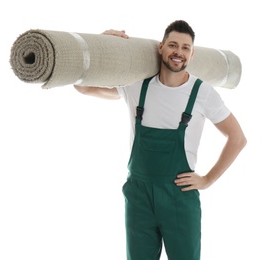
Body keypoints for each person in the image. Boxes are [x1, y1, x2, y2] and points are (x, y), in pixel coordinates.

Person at [74, 20, 247, 260]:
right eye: (173, 45)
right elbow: (84, 88)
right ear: (161, 47)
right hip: (139, 197)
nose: (179, 52)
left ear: (192, 54)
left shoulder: (202, 92)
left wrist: (207, 179)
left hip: (179, 197)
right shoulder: (136, 86)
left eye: (186, 48)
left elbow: (237, 138)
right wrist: (100, 43)